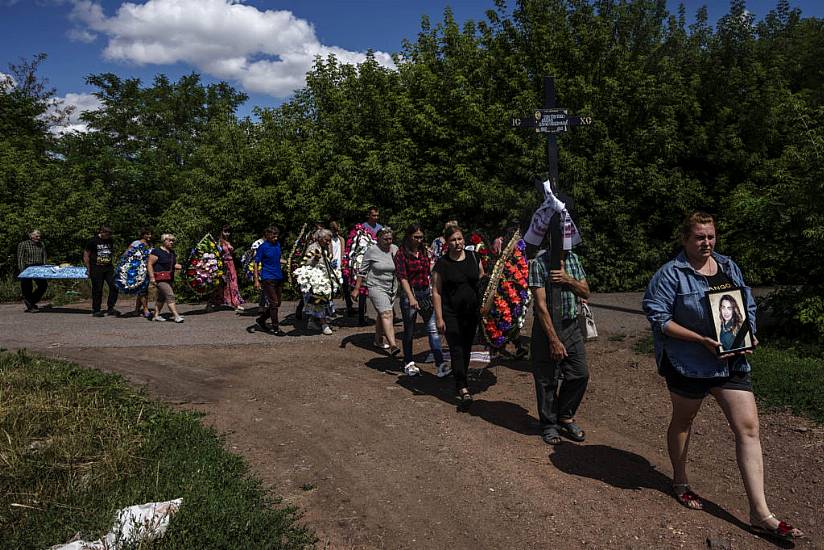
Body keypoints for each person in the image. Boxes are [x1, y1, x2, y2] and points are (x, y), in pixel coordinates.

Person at [643, 211, 804, 542]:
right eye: (700, 237)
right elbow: (658, 317)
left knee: (748, 428)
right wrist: (700, 339)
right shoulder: (670, 274)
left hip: (730, 362)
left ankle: (761, 514)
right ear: (685, 239)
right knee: (684, 421)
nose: (707, 243)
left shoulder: (729, 267)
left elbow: (747, 305)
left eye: (711, 236)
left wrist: (749, 334)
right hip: (688, 363)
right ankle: (680, 480)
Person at [528, 242, 590, 444]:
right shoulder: (538, 263)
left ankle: (564, 415)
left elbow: (585, 291)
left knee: (579, 373)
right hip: (546, 328)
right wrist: (553, 339)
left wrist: (567, 279)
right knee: (547, 379)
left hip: (571, 326)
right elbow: (540, 305)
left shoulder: (573, 259)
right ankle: (549, 424)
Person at [432, 225, 485, 409]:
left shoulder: (473, 257)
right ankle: (462, 387)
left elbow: (481, 279)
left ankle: (461, 378)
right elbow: (436, 291)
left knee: (467, 347)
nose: (457, 243)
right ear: (447, 243)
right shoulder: (442, 264)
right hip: (450, 312)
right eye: (453, 240)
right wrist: (439, 318)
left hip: (470, 312)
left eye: (460, 239)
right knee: (456, 348)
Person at [395, 223, 450, 378]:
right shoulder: (401, 254)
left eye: (421, 237)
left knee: (432, 329)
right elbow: (403, 277)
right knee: (410, 330)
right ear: (409, 236)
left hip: (425, 292)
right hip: (410, 294)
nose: (419, 240)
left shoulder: (424, 251)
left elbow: (430, 271)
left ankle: (440, 364)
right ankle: (408, 362)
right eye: (416, 237)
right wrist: (411, 297)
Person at [352, 227, 400, 355]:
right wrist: (357, 288)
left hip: (391, 286)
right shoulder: (372, 251)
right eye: (385, 239)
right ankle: (393, 345)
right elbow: (362, 271)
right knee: (387, 313)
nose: (389, 241)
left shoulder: (395, 249)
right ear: (378, 239)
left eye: (390, 239)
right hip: (376, 286)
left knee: (382, 314)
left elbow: (401, 266)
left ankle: (378, 340)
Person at [301, 229, 339, 335]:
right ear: (320, 238)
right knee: (319, 301)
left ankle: (312, 321)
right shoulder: (312, 247)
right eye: (327, 240)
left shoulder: (324, 247)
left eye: (329, 240)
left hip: (324, 276)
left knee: (320, 302)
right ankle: (324, 324)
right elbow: (306, 262)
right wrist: (315, 260)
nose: (328, 242)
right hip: (316, 279)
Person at [253, 226, 286, 336]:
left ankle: (261, 320)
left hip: (278, 276)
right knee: (274, 303)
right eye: (273, 236)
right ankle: (275, 328)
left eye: (277, 236)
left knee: (278, 303)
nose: (276, 238)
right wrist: (256, 280)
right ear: (267, 235)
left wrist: (289, 262)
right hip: (268, 277)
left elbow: (278, 259)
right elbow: (256, 262)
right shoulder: (262, 247)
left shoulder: (277, 244)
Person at [147, 233, 184, 323]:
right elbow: (149, 264)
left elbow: (172, 265)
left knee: (161, 297)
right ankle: (176, 316)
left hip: (169, 278)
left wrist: (183, 267)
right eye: (169, 240)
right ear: (164, 241)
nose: (172, 242)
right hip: (159, 279)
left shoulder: (172, 252)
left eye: (173, 241)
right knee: (170, 295)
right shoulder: (157, 251)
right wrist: (152, 277)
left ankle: (155, 316)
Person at [83, 225, 119, 317]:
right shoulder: (93, 241)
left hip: (108, 267)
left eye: (110, 234)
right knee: (97, 289)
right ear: (102, 232)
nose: (109, 236)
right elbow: (86, 254)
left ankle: (111, 307)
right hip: (96, 267)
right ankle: (96, 309)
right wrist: (88, 268)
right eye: (107, 234)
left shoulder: (110, 240)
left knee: (114, 286)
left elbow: (111, 252)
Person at [209, 225, 245, 312]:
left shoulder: (229, 241)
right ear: (222, 232)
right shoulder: (219, 242)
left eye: (228, 232)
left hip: (231, 264)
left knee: (233, 283)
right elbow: (216, 254)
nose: (227, 233)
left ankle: (236, 303)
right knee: (220, 284)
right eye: (225, 231)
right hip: (223, 264)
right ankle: (210, 303)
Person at [17, 229, 48, 312]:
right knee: (27, 288)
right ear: (31, 236)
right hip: (27, 267)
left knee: (43, 285)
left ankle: (31, 301)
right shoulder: (23, 244)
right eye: (36, 236)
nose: (39, 237)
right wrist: (22, 271)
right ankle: (30, 307)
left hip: (39, 267)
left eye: (39, 236)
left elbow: (44, 256)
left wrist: (45, 267)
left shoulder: (41, 244)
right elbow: (20, 258)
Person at [128, 227, 153, 319]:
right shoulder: (136, 243)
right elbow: (128, 253)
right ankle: (145, 309)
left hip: (147, 269)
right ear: (143, 235)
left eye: (150, 234)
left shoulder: (150, 244)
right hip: (137, 269)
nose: (150, 236)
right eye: (147, 234)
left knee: (142, 289)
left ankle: (136, 310)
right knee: (143, 290)